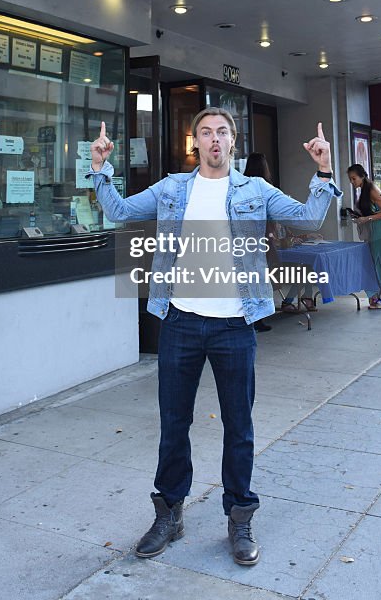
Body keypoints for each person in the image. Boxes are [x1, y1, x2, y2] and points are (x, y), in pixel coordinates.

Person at [87, 108, 340, 566]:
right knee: (173, 424)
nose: (215, 139)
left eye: (222, 132)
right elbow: (120, 212)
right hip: (180, 322)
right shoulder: (172, 188)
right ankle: (169, 515)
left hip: (235, 325)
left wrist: (323, 169)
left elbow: (306, 219)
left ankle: (239, 517)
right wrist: (101, 168)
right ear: (196, 142)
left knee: (239, 427)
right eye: (206, 133)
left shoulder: (254, 189)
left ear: (233, 141)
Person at [346, 164, 381, 309]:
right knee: (375, 264)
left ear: (362, 176)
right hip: (376, 229)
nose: (352, 182)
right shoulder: (365, 190)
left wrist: (365, 219)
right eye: (350, 179)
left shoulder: (372, 189)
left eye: (354, 178)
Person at [242, 152, 277, 332]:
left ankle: (250, 317)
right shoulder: (265, 186)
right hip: (262, 236)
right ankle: (258, 318)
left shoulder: (242, 184)